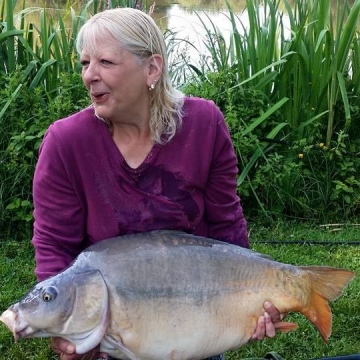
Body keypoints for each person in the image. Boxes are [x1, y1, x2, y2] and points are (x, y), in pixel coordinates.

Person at [31, 7, 284, 360]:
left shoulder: (204, 123)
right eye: (84, 63)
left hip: (196, 317)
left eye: (105, 62)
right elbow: (55, 246)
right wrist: (64, 322)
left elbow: (226, 226)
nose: (89, 75)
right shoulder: (65, 142)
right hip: (110, 327)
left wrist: (255, 296)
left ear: (152, 68)